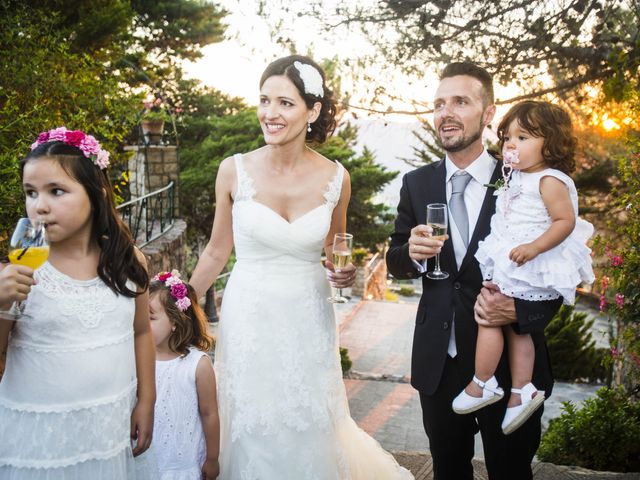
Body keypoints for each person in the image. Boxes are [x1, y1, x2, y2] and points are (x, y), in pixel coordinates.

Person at [189, 55, 413, 479]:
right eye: (264, 100)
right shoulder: (232, 171)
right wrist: (180, 301)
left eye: (285, 104)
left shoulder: (336, 178)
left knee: (309, 416)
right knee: (248, 413)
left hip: (308, 315)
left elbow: (335, 253)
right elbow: (217, 252)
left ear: (313, 111)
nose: (270, 114)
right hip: (250, 314)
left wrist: (343, 275)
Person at [386, 63, 563, 480]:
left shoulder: (524, 180)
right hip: (439, 362)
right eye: (439, 104)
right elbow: (395, 258)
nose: (445, 113)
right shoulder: (416, 183)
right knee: (448, 471)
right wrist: (410, 252)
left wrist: (518, 312)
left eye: (460, 102)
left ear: (488, 114)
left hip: (509, 370)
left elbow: (557, 269)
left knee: (511, 472)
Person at [0, 127, 156, 479]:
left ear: (96, 193)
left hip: (106, 430)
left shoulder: (126, 262)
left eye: (57, 191)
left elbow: (142, 333)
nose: (39, 205)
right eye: (30, 192)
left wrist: (147, 400)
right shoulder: (21, 271)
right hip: (40, 441)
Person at [452, 101, 595, 434]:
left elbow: (565, 221)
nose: (511, 144)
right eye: (507, 137)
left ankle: (483, 382)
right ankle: (521, 389)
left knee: (496, 319)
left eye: (524, 136)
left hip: (532, 262)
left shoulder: (549, 180)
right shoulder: (517, 175)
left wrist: (534, 248)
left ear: (552, 143)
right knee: (514, 327)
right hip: (511, 258)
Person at [149, 269, 220, 479]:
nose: (141, 324)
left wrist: (212, 458)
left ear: (174, 321)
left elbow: (209, 413)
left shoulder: (198, 365)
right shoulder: (137, 360)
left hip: (184, 462)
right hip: (148, 460)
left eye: (150, 317)